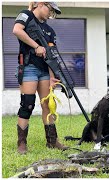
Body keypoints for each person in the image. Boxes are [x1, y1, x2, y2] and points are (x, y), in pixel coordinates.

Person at [13, 2, 67, 154]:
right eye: (50, 10)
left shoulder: (50, 30)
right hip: (29, 68)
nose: (51, 14)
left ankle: (52, 141)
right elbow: (17, 30)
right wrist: (36, 46)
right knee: (27, 105)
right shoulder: (26, 15)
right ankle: (22, 144)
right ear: (41, 4)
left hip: (44, 72)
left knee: (49, 105)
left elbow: (50, 56)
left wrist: (51, 77)